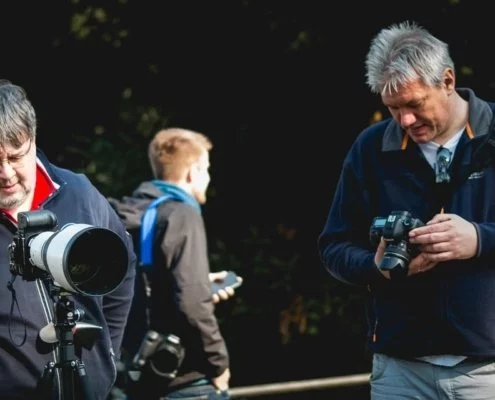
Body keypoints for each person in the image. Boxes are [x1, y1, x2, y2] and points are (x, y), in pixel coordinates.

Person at [317, 21, 495, 400]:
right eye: (392, 108)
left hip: (487, 371)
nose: (404, 121)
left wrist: (480, 239)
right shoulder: (369, 148)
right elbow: (333, 245)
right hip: (399, 370)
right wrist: (375, 267)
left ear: (447, 81)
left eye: (413, 105)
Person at [0, 79, 136, 399]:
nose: (5, 173)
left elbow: (124, 266)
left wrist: (107, 353)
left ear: (33, 140)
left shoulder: (78, 192)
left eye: (16, 156)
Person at [109, 127, 237, 400]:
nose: (208, 178)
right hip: (184, 380)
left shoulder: (133, 213)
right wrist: (218, 364)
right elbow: (191, 303)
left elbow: (152, 284)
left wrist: (202, 282)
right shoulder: (182, 213)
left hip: (138, 374)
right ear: (194, 172)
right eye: (207, 169)